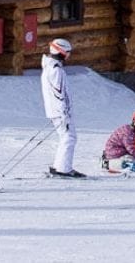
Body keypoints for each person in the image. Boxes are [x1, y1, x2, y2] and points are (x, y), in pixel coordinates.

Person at [41, 38, 85, 178]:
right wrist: (63, 112)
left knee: (66, 137)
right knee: (69, 137)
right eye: (67, 52)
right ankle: (63, 169)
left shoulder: (51, 67)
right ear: (60, 52)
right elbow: (59, 93)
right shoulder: (55, 70)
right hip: (60, 111)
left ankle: (60, 166)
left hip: (56, 110)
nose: (68, 55)